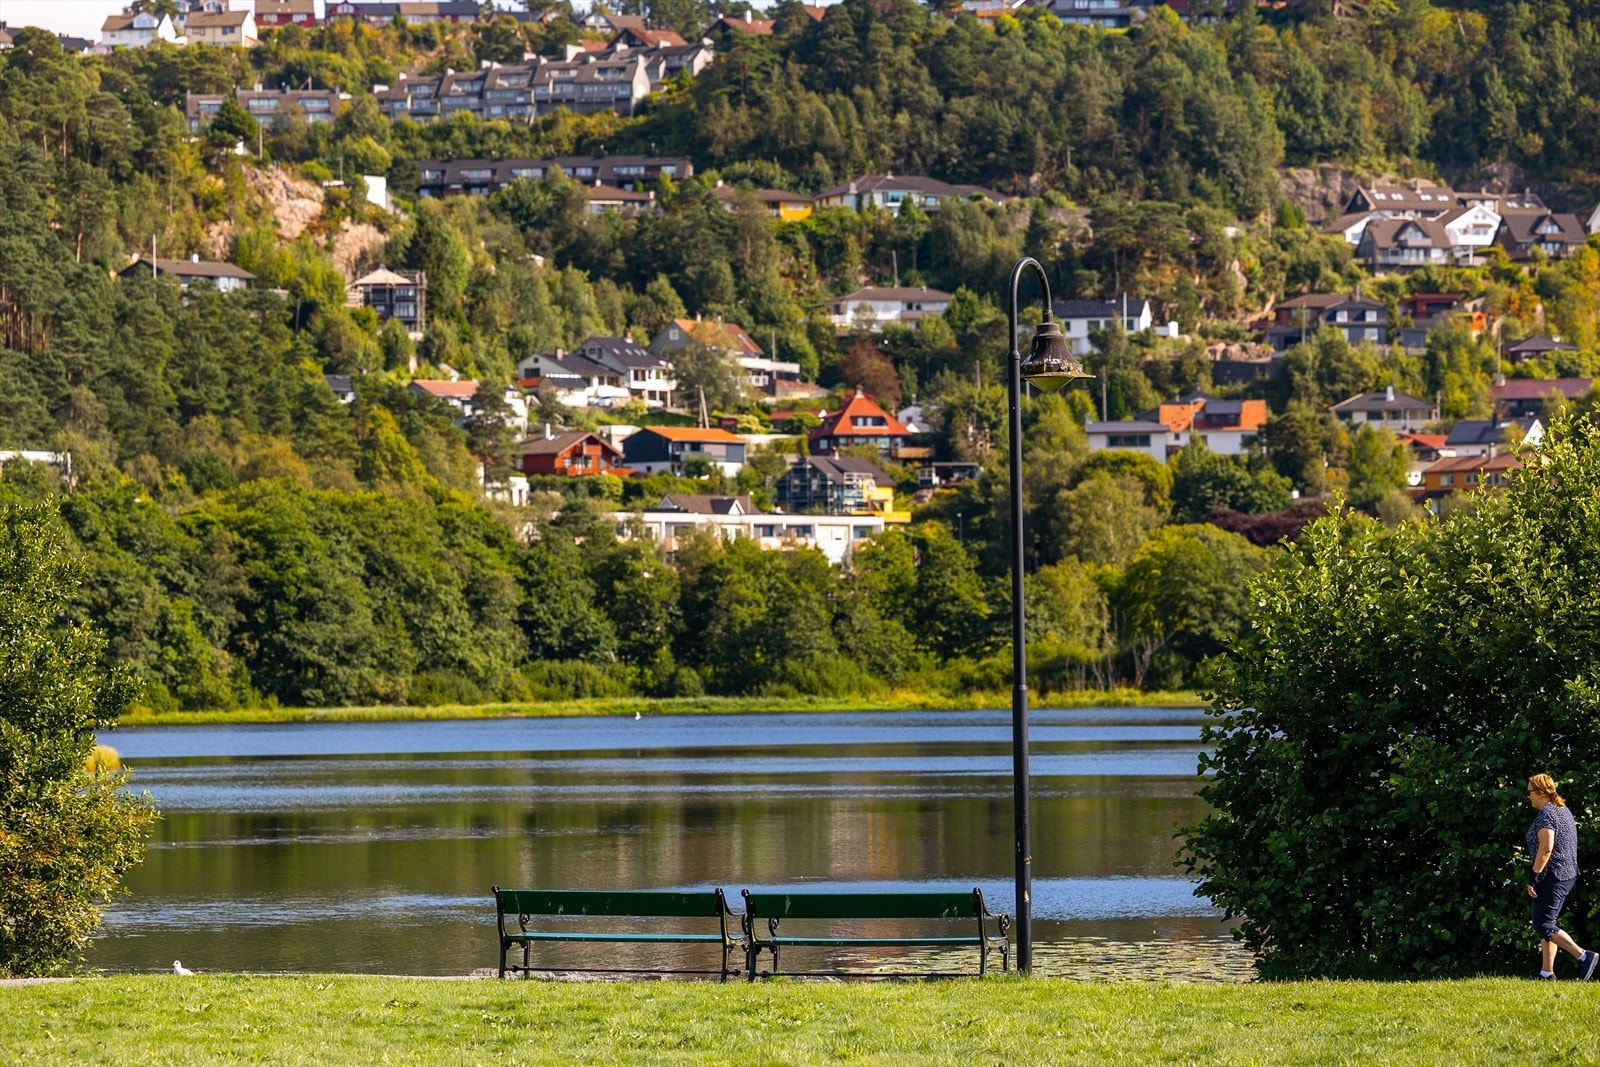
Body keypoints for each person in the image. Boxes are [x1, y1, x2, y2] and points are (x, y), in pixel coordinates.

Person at [1525, 773, 1599, 980]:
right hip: (1566, 874)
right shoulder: (1562, 810)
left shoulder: (1547, 814)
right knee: (1548, 923)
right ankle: (1546, 972)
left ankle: (1584, 956)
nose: (1528, 796)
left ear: (1540, 793)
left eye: (1529, 792)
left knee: (1543, 924)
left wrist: (1534, 876)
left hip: (1552, 875)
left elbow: (1546, 848)